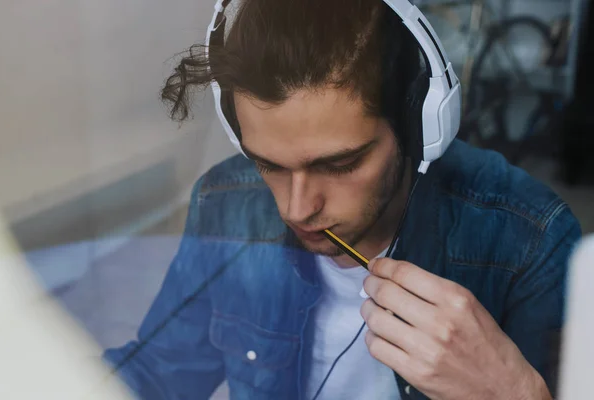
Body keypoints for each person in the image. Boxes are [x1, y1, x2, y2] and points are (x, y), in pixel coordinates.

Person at [103, 0, 582, 399]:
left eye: (339, 165)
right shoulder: (225, 200)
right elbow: (160, 373)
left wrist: (513, 392)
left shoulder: (528, 240)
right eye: (267, 163)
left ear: (419, 128)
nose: (296, 209)